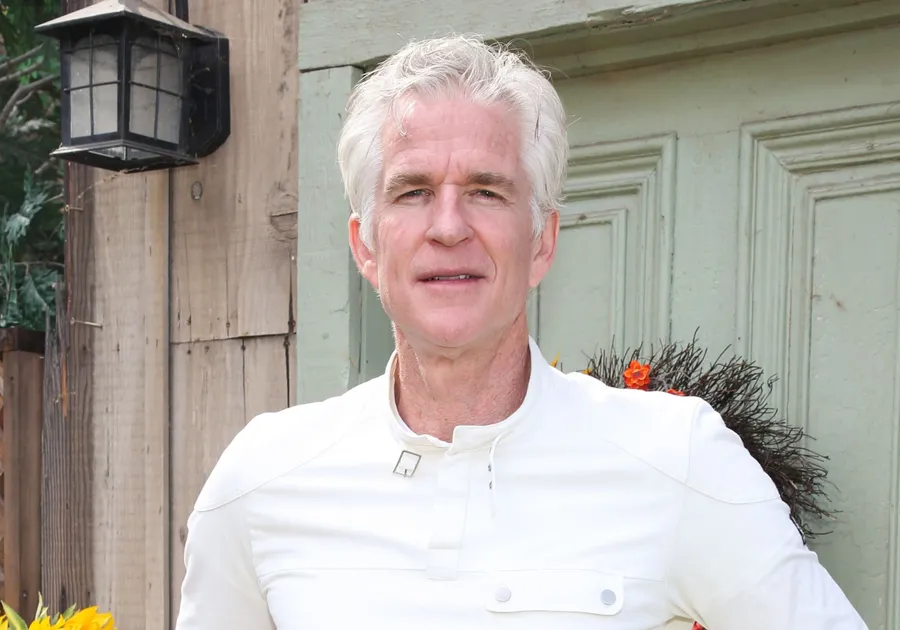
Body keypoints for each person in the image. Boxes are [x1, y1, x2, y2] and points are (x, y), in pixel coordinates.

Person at [174, 35, 867, 630]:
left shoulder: (677, 457)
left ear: (542, 241)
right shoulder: (263, 478)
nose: (449, 226)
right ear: (366, 246)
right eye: (414, 191)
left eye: (487, 190)